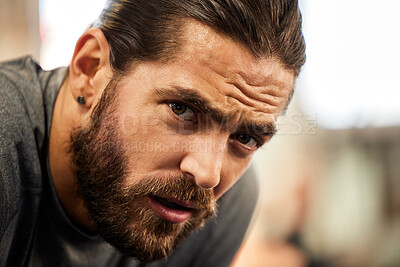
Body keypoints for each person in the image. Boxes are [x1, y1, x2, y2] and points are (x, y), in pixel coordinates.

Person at [0, 0, 306, 266]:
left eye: (244, 138)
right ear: (90, 69)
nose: (208, 175)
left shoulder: (229, 203)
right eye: (182, 109)